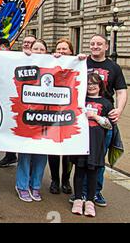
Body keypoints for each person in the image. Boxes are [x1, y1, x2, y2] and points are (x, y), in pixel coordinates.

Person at [83, 34, 127, 207]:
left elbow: (122, 90)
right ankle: (81, 192)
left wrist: (120, 109)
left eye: (99, 44)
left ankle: (95, 192)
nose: (95, 46)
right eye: (92, 43)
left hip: (104, 119)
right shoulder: (82, 62)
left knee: (99, 158)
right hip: (83, 119)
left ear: (106, 46)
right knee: (81, 158)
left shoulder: (114, 67)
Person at [71, 73, 112, 217]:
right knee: (79, 170)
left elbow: (109, 125)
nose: (91, 86)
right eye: (88, 84)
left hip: (96, 143)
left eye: (94, 83)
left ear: (100, 85)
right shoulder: (80, 99)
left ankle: (89, 201)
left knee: (93, 172)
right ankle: (77, 199)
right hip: (81, 142)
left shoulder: (106, 103)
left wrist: (95, 116)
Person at [15, 39, 49, 203]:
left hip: (47, 119)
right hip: (27, 117)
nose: (39, 51)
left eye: (42, 49)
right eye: (36, 48)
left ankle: (35, 186)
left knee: (41, 155)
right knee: (26, 154)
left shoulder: (53, 65)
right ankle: (22, 186)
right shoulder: (23, 63)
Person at [0, 35, 36, 168]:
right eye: (25, 42)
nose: (26, 44)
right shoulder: (16, 57)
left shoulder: (43, 59)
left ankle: (27, 161)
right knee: (12, 126)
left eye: (30, 42)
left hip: (32, 101)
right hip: (15, 98)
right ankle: (11, 155)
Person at [47, 38, 75, 195]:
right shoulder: (51, 63)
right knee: (53, 149)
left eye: (65, 49)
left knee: (67, 150)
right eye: (59, 49)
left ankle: (65, 180)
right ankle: (54, 180)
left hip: (70, 112)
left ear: (71, 51)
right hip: (52, 112)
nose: (62, 51)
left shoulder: (77, 64)